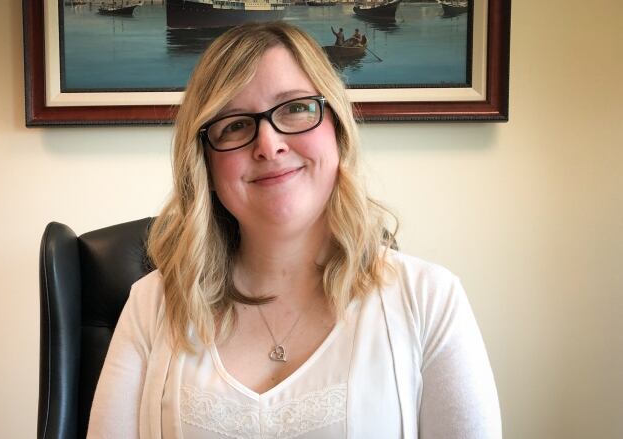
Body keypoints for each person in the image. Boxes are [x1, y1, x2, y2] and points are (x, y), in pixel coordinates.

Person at [87, 21, 501, 439]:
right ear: (205, 165)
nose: (268, 144)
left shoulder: (430, 300)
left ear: (337, 129)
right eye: (233, 124)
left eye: (296, 108)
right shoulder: (150, 306)